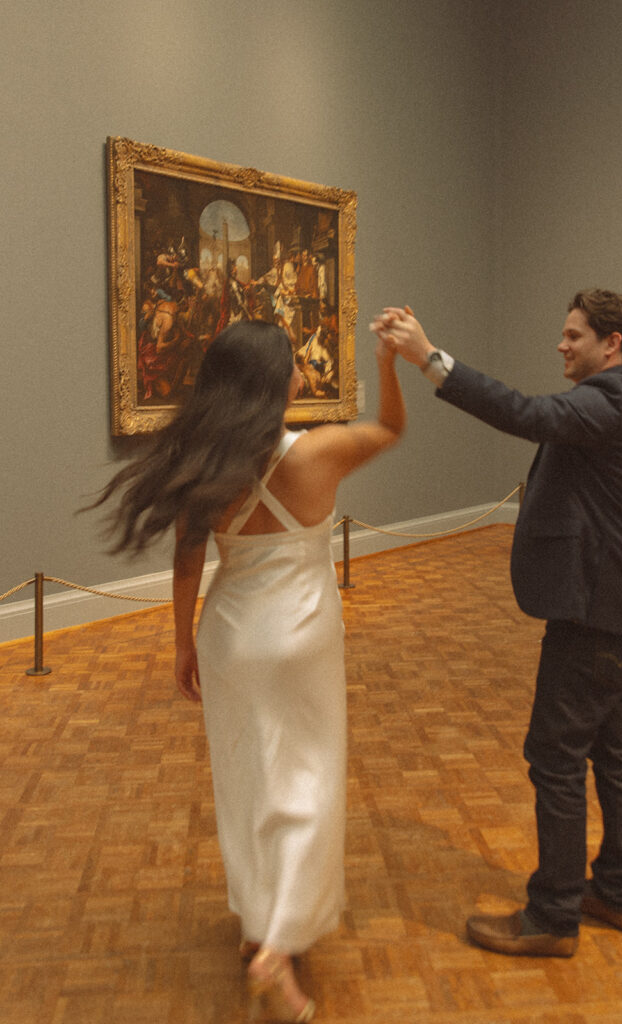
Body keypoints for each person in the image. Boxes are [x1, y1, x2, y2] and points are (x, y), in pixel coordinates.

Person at [92, 319, 405, 1020]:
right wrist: (387, 363)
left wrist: (181, 645)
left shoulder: (204, 463)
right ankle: (276, 948)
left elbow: (184, 562)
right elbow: (390, 426)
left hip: (229, 637)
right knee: (307, 785)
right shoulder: (318, 453)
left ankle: (258, 920)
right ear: (275, 381)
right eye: (294, 364)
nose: (301, 371)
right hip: (301, 637)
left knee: (246, 781)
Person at [370, 290, 622, 958]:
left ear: (610, 343)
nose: (560, 345)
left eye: (572, 335)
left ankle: (552, 916)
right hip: (617, 613)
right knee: (614, 756)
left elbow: (526, 414)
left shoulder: (610, 398)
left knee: (555, 760)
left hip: (592, 616)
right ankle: (616, 893)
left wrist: (427, 359)